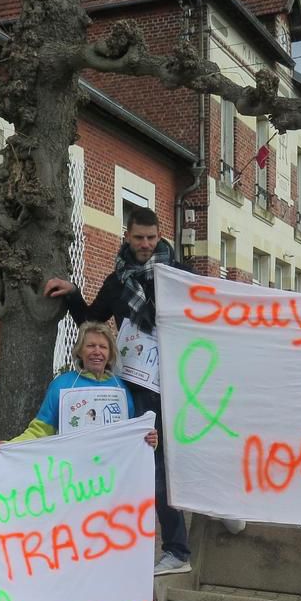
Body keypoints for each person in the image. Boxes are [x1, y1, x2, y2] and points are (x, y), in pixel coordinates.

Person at [44, 206, 196, 575]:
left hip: (182, 381)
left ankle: (218, 510)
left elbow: (207, 317)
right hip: (137, 387)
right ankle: (171, 549)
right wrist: (73, 295)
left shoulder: (181, 276)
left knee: (193, 450)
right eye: (139, 238)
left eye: (151, 238)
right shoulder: (117, 281)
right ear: (126, 237)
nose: (145, 245)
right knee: (150, 463)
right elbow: (92, 321)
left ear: (160, 236)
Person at [0, 322, 158, 451]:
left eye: (103, 347)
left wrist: (150, 440)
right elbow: (40, 430)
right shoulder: (61, 385)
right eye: (90, 346)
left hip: (112, 473)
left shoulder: (121, 388)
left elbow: (132, 434)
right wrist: (9, 446)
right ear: (79, 351)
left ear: (110, 353)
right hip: (73, 473)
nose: (97, 351)